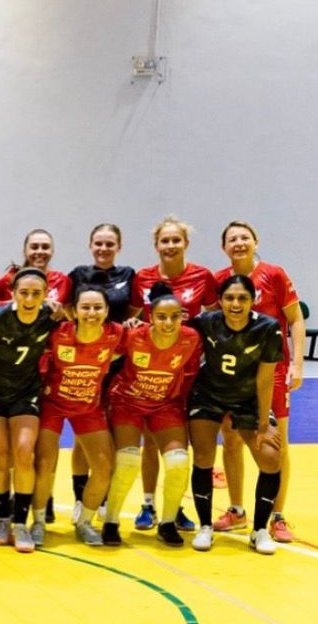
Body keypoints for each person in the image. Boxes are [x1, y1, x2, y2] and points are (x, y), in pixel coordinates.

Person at [213, 220, 304, 543]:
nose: (239, 243)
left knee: (277, 442)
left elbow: (295, 319)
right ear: (224, 247)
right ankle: (237, 510)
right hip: (235, 376)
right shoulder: (220, 281)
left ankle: (277, 515)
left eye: (244, 237)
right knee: (232, 439)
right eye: (232, 239)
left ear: (255, 241)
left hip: (274, 372)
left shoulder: (274, 274)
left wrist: (296, 363)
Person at [128, 216, 218, 533]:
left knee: (181, 443)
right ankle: (148, 504)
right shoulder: (143, 278)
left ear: (186, 244)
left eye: (175, 240)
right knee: (152, 441)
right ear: (157, 246)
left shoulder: (202, 277)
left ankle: (175, 506)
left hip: (191, 371)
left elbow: (215, 317)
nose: (170, 246)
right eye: (165, 241)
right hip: (155, 372)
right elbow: (134, 320)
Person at [187, 274, 284, 554]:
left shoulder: (268, 328)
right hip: (208, 396)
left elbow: (266, 379)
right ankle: (205, 526)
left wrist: (264, 423)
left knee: (270, 456)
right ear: (219, 301)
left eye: (242, 298)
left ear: (253, 301)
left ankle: (260, 529)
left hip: (248, 399)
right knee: (203, 456)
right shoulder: (207, 322)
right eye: (229, 298)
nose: (235, 303)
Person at [102, 283, 200, 546]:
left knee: (179, 462)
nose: (168, 322)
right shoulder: (133, 335)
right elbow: (103, 358)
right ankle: (111, 521)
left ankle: (168, 522)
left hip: (165, 406)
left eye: (175, 316)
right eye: (161, 317)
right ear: (150, 317)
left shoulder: (191, 338)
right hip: (127, 403)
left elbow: (191, 375)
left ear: (183, 316)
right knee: (128, 460)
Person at [31, 281, 124, 548]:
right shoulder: (58, 333)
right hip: (53, 405)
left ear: (106, 311)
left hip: (88, 407)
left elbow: (143, 339)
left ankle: (84, 521)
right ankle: (37, 521)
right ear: (74, 311)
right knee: (45, 463)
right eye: (86, 307)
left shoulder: (116, 334)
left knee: (105, 467)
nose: (91, 313)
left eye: (97, 307)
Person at [0, 269, 57, 553]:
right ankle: (2, 519)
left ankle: (21, 522)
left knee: (24, 452)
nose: (29, 298)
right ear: (12, 293)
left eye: (36, 293)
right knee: (1, 456)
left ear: (46, 295)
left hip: (26, 394)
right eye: (23, 292)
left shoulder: (50, 317)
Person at [67, 223, 135, 524]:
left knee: (109, 436)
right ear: (90, 245)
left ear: (118, 246)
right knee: (85, 438)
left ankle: (104, 497)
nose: (104, 249)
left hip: (117, 365)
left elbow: (136, 311)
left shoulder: (128, 276)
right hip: (85, 363)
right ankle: (81, 498)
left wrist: (127, 331)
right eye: (99, 243)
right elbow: (68, 310)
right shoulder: (78, 274)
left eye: (110, 244)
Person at [0, 229, 72, 305]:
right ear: (25, 251)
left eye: (45, 247)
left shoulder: (62, 281)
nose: (40, 251)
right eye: (34, 247)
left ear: (52, 251)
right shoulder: (7, 281)